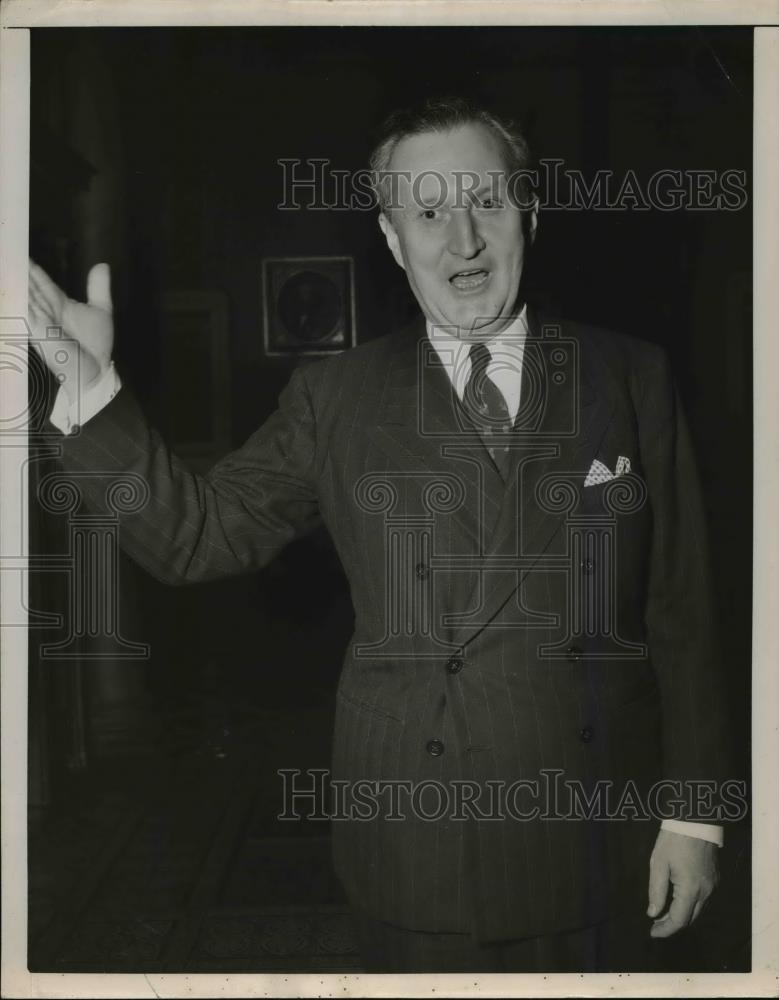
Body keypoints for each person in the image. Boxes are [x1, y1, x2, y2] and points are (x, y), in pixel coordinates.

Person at [28, 97, 732, 973]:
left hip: (596, 827)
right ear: (394, 241)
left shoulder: (629, 375)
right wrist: (93, 393)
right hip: (416, 833)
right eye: (428, 213)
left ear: (532, 213)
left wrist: (696, 813)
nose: (462, 240)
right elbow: (193, 536)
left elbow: (683, 610)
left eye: (487, 202)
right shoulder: (337, 398)